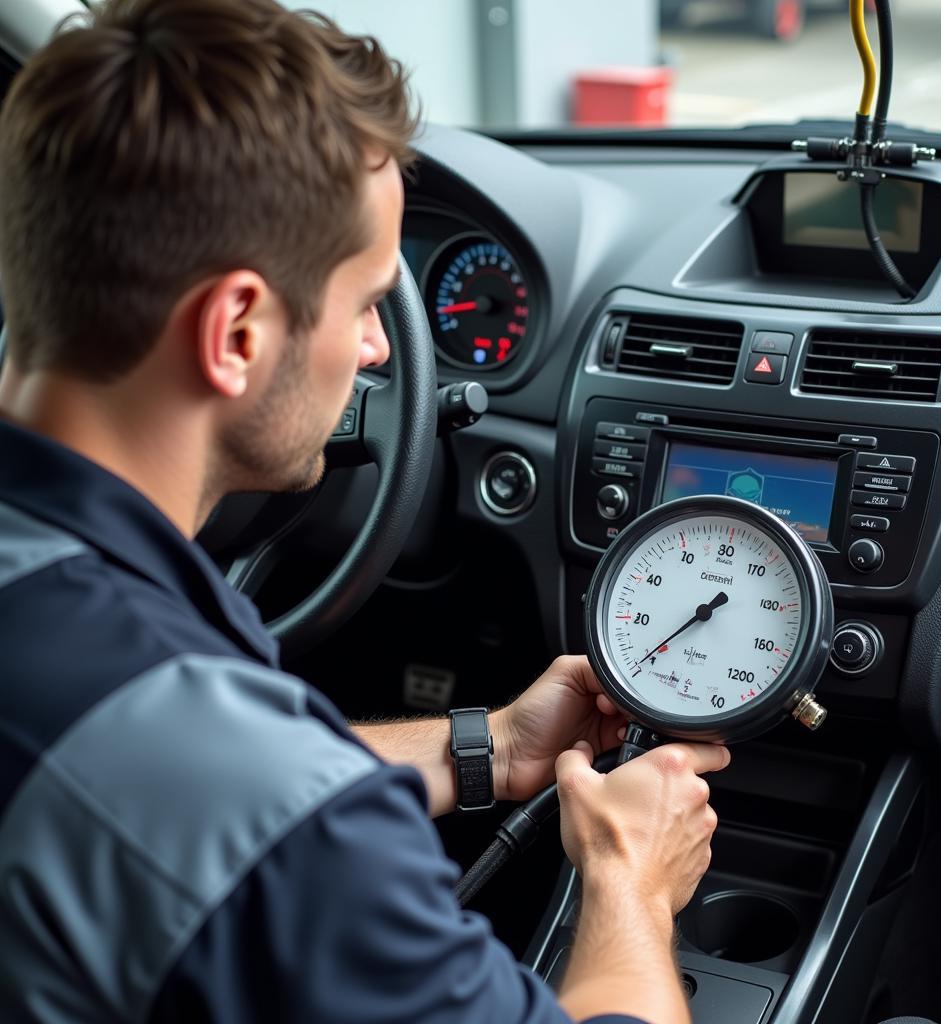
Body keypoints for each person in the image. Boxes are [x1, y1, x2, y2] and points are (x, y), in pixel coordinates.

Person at [0, 1, 729, 1021]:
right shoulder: (280, 838)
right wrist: (630, 884)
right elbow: (244, 805)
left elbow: (219, 788)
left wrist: (490, 747)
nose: (382, 351)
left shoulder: (118, 669)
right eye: (365, 302)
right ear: (237, 330)